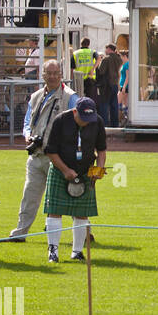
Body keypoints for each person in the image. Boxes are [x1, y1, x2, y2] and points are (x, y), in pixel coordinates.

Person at [8, 59, 78, 242]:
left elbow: (79, 124)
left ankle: (83, 232)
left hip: (58, 157)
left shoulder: (70, 97)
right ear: (43, 75)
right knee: (29, 195)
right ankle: (20, 233)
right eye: (50, 73)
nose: (53, 76)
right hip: (36, 155)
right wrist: (27, 135)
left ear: (61, 75)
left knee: (66, 196)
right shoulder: (36, 96)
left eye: (56, 73)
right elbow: (27, 122)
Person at [42, 97, 107, 262]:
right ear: (75, 111)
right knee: (54, 211)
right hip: (60, 170)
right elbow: (50, 151)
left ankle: (77, 252)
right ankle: (53, 252)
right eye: (83, 119)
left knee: (82, 213)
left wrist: (98, 169)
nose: (86, 123)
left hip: (85, 172)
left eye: (89, 119)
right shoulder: (61, 121)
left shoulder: (96, 122)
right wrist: (65, 170)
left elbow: (101, 150)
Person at [94, 43, 122, 127]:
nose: (105, 51)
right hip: (115, 84)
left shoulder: (106, 59)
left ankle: (104, 124)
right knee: (114, 105)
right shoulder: (119, 59)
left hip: (106, 85)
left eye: (106, 49)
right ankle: (115, 124)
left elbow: (101, 71)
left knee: (104, 105)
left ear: (109, 49)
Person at [117, 50, 130, 125]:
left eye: (121, 57)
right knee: (125, 103)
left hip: (124, 86)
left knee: (117, 102)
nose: (121, 58)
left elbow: (128, 76)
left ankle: (123, 118)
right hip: (123, 86)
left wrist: (124, 87)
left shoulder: (127, 64)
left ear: (125, 56)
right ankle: (126, 118)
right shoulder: (124, 64)